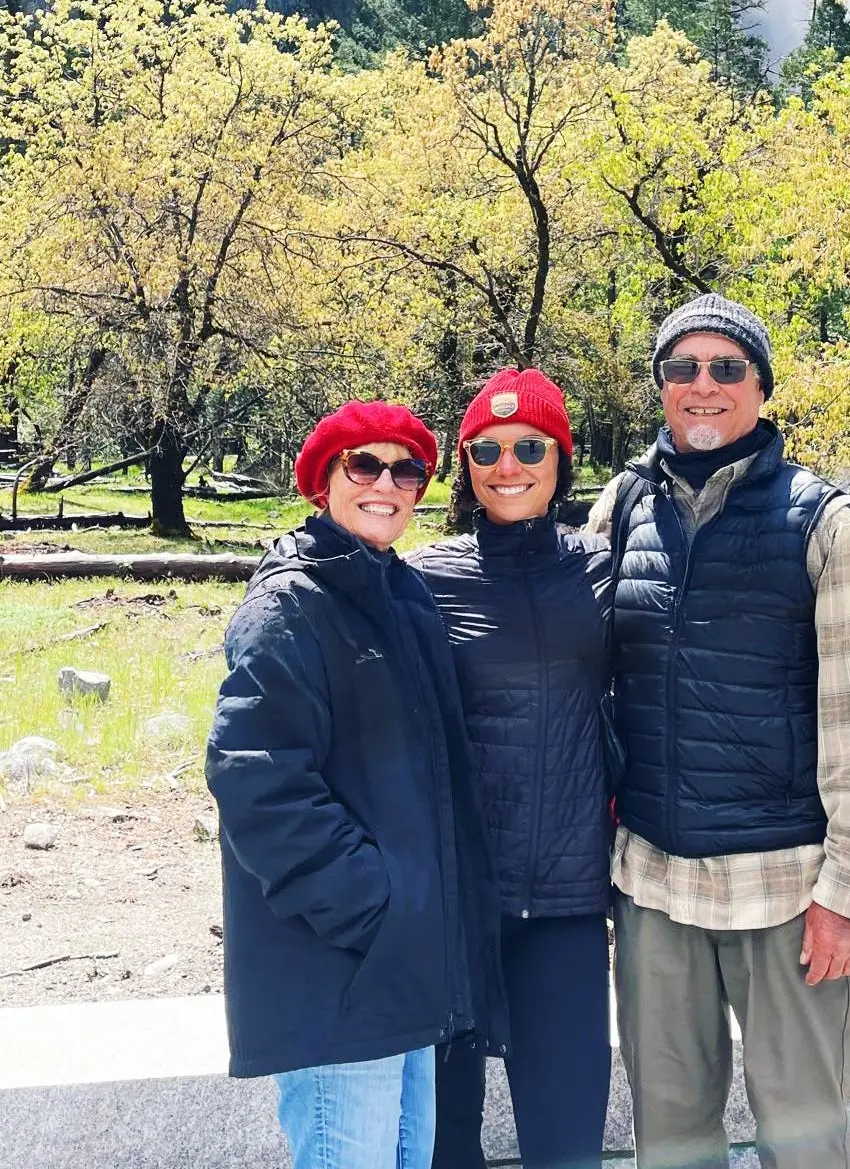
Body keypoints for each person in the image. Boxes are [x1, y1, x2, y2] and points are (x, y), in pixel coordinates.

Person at [586, 294, 850, 1169]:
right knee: (672, 1140)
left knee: (805, 1140)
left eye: (728, 367)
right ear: (659, 387)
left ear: (761, 386)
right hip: (653, 887)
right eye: (682, 368)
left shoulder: (825, 521)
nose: (703, 386)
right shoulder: (620, 508)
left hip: (788, 893)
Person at [205, 400, 504, 1169]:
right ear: (321, 482)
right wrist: (377, 908)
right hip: (346, 968)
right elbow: (258, 783)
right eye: (363, 465)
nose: (387, 483)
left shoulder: (400, 597)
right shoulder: (290, 606)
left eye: (406, 469)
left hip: (403, 968)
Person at [411, 367, 614, 1169]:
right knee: (442, 1146)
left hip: (565, 908)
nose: (508, 464)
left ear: (561, 458)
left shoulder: (603, 569)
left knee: (566, 1150)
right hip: (458, 909)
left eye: (530, 446)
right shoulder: (423, 580)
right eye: (486, 449)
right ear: (465, 464)